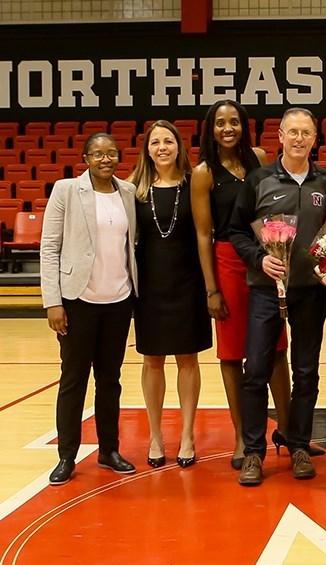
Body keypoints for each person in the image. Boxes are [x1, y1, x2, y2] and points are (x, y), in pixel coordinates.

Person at [191, 99, 297, 471]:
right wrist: (212, 289)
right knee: (234, 353)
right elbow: (204, 233)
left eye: (233, 121)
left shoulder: (258, 156)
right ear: (211, 129)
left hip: (264, 256)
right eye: (220, 123)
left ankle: (287, 429)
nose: (227, 128)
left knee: (277, 345)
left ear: (244, 125)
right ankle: (242, 435)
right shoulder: (204, 172)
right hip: (228, 262)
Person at [229, 107, 326, 485]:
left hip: (310, 291)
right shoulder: (259, 179)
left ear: (315, 138)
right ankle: (254, 452)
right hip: (265, 290)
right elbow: (237, 232)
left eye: (307, 132)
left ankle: (299, 444)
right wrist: (260, 258)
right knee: (255, 370)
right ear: (281, 137)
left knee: (306, 372)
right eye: (293, 132)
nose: (300, 138)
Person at [40, 133, 138, 485]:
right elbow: (49, 248)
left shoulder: (127, 192)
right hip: (78, 300)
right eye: (98, 154)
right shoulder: (66, 190)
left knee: (110, 381)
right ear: (85, 158)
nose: (105, 159)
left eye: (111, 153)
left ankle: (109, 450)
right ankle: (67, 455)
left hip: (118, 300)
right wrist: (53, 301)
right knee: (73, 380)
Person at [130, 120, 211, 468]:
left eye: (168, 141)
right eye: (155, 142)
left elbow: (206, 233)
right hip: (149, 288)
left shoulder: (194, 184)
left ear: (179, 146)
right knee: (152, 361)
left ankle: (188, 434)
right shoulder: (133, 189)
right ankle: (155, 435)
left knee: (188, 360)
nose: (161, 147)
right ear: (146, 149)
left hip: (188, 285)